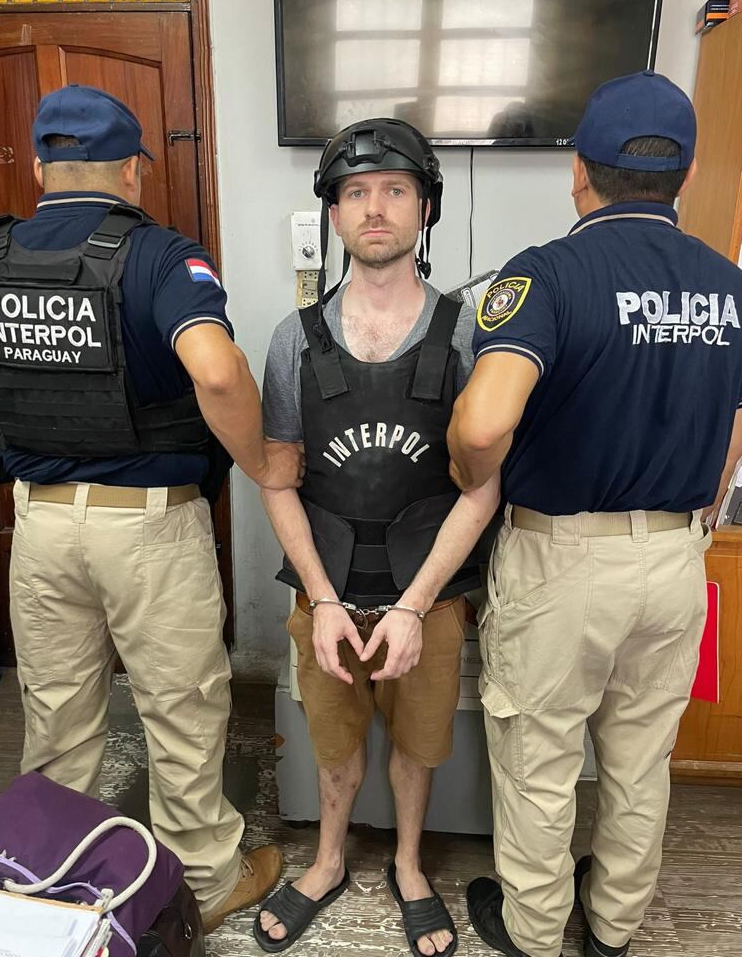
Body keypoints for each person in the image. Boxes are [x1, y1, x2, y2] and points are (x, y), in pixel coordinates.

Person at [0, 85, 304, 934]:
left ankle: (48, 880)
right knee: (181, 708)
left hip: (41, 522)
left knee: (57, 710)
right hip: (146, 524)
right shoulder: (159, 256)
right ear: (132, 170)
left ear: (40, 168)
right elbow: (219, 372)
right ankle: (209, 880)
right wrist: (263, 462)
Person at [447, 70, 742, 957]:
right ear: (686, 175)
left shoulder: (546, 275)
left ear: (579, 169)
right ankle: (614, 925)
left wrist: (468, 469)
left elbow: (485, 423)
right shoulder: (730, 286)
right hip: (676, 558)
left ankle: (535, 932)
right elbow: (733, 431)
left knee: (539, 759)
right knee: (640, 758)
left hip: (562, 560)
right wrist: (696, 513)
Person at [256, 118, 500, 956]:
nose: (374, 208)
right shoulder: (293, 339)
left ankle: (407, 865)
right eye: (355, 193)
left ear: (425, 207)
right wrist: (323, 599)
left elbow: (483, 486)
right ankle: (326, 862)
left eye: (395, 190)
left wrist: (416, 605)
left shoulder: (468, 334)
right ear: (333, 212)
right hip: (324, 592)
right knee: (334, 744)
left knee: (419, 746)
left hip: (429, 596)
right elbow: (277, 478)